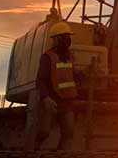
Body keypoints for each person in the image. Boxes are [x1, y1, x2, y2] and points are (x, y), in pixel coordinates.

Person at [35, 21, 77, 151]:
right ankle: (33, 150)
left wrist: (88, 72)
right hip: (52, 101)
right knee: (44, 132)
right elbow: (40, 81)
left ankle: (61, 154)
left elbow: (73, 74)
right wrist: (46, 98)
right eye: (65, 37)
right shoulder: (47, 58)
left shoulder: (69, 57)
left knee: (68, 132)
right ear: (57, 39)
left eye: (68, 37)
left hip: (66, 102)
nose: (68, 40)